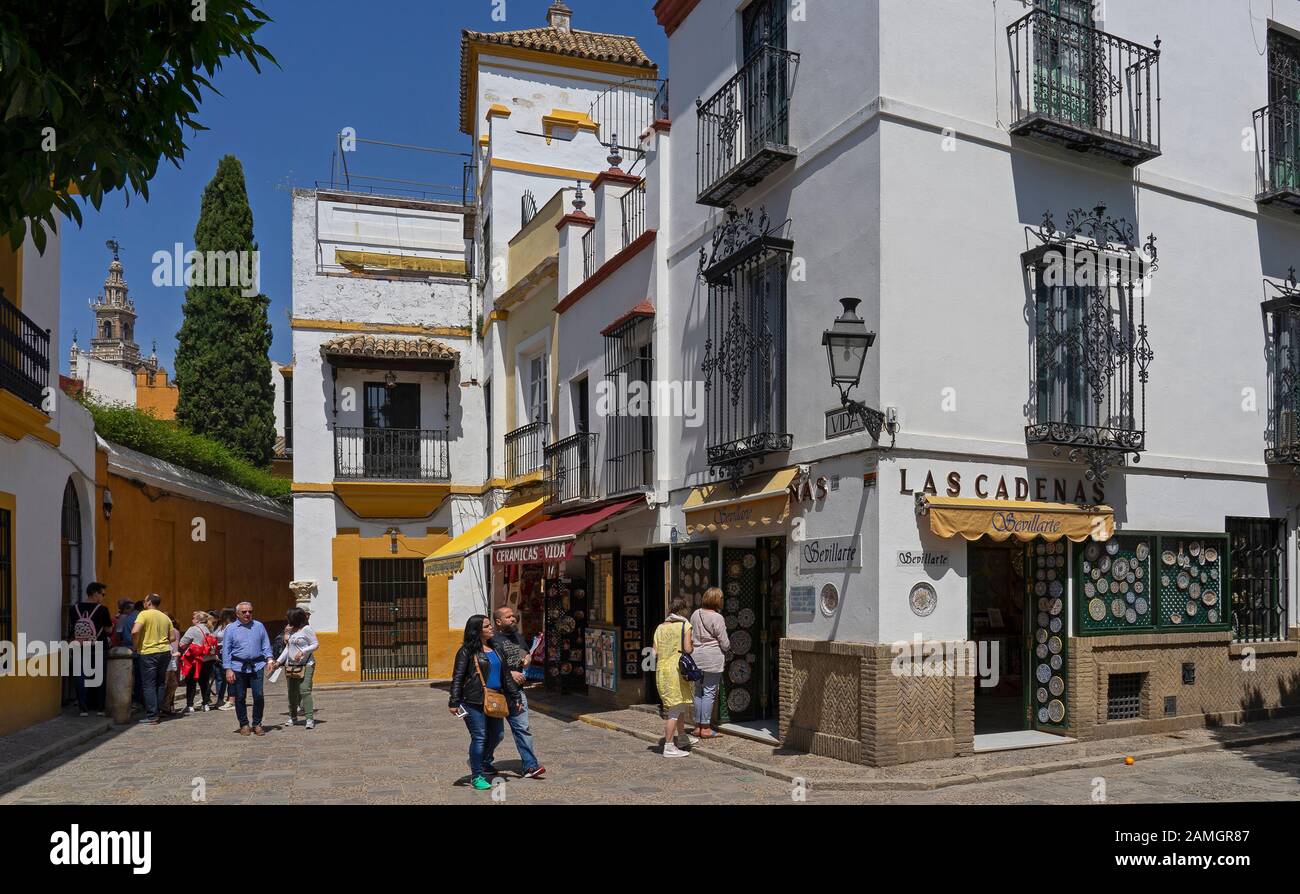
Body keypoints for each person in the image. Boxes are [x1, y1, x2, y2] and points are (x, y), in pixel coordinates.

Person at [448, 615, 523, 791]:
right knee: (480, 737)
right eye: (487, 626)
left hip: (496, 699)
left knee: (497, 735)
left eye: (491, 625)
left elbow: (506, 676)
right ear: (477, 630)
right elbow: (457, 677)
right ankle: (477, 775)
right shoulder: (466, 651)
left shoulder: (496, 648)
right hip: (473, 701)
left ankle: (482, 761)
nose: (491, 628)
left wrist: (515, 697)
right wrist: (454, 701)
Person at [483, 606, 545, 779]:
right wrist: (509, 674)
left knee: (522, 728)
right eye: (508, 616)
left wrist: (527, 658)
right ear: (498, 621)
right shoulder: (491, 640)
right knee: (497, 734)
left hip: (516, 693)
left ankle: (530, 766)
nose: (513, 619)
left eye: (513, 616)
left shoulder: (518, 637)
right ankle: (484, 761)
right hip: (497, 693)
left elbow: (524, 652)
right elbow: (485, 665)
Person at [652, 598, 697, 757]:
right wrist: (692, 646)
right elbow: (687, 648)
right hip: (677, 671)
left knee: (679, 706)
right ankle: (669, 746)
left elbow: (654, 652)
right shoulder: (685, 626)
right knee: (674, 710)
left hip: (662, 670)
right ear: (684, 610)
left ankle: (683, 737)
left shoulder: (659, 628)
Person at [222, 601, 273, 736]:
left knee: (258, 695)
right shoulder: (231, 629)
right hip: (237, 667)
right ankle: (244, 724)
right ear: (237, 613)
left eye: (250, 611)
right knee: (240, 697)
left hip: (257, 666)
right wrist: (228, 668)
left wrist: (269, 658)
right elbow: (226, 650)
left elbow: (266, 644)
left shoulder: (259, 626)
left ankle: (257, 723)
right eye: (244, 612)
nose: (248, 614)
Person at [689, 587, 731, 740]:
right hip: (712, 658)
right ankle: (706, 727)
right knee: (709, 692)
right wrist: (727, 647)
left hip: (696, 657)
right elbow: (724, 642)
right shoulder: (717, 618)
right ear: (717, 600)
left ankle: (697, 726)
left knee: (698, 691)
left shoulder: (695, 614)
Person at [268, 607, 319, 730]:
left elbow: (315, 644)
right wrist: (278, 662)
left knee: (304, 690)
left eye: (289, 617)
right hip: (291, 665)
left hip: (306, 664)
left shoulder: (306, 629)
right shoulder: (291, 630)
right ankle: (292, 717)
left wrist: (303, 652)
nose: (287, 619)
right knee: (292, 693)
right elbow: (288, 648)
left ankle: (309, 718)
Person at [67, 582, 112, 717]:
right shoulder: (102, 609)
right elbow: (108, 629)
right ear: (95, 593)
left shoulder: (73, 608)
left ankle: (83, 709)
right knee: (99, 676)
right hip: (98, 646)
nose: (103, 597)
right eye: (102, 594)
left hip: (79, 646)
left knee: (80, 675)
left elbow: (73, 626)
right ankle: (100, 708)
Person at [131, 594, 175, 725]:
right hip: (165, 651)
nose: (144, 602)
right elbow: (172, 638)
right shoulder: (165, 617)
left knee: (149, 684)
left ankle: (152, 715)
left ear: (149, 602)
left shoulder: (144, 614)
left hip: (148, 652)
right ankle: (158, 711)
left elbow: (135, 631)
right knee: (160, 683)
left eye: (145, 600)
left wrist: (135, 646)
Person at [178, 611, 217, 713]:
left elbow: (182, 643)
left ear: (198, 620)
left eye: (193, 618)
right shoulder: (210, 628)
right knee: (205, 682)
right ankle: (206, 704)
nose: (192, 620)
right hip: (209, 659)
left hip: (195, 660)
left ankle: (190, 705)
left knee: (191, 682)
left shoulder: (193, 629)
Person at [212, 608, 238, 710]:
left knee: (230, 677)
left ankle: (231, 699)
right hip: (219, 653)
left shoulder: (231, 626)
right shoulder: (221, 626)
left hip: (227, 653)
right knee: (220, 678)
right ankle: (220, 699)